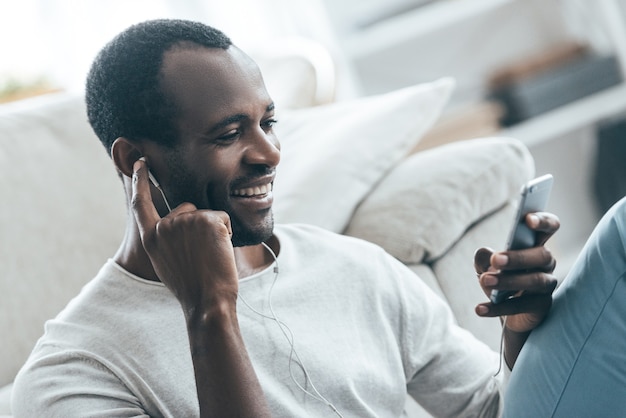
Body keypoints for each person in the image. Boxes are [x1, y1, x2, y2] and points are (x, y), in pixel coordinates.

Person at [11, 19, 560, 417]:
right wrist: (210, 310)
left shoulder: (352, 268)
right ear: (135, 162)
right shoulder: (74, 373)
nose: (269, 152)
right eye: (229, 134)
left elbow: (489, 408)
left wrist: (517, 336)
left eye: (267, 122)